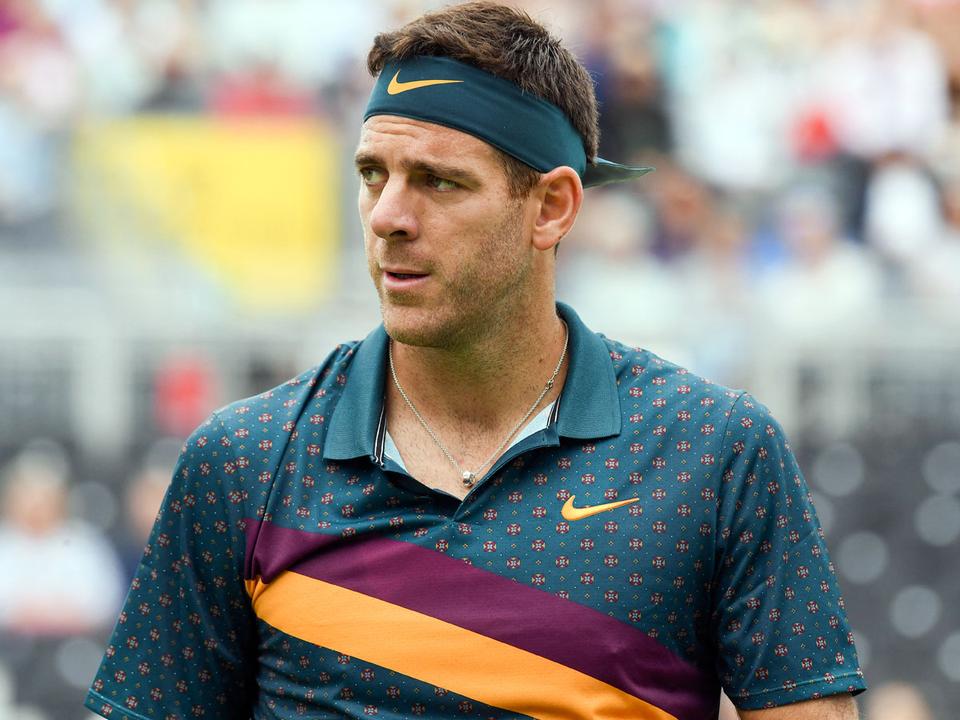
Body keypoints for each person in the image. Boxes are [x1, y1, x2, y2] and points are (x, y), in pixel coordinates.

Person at [85, 3, 866, 718]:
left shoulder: (716, 450)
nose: (388, 216)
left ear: (552, 207)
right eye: (372, 174)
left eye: (439, 181)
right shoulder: (242, 462)